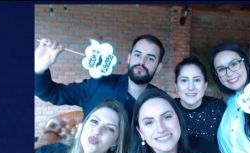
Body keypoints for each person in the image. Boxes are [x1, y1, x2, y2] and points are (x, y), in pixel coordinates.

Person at [125, 88, 231, 153]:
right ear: (140, 132)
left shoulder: (208, 151)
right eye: (149, 122)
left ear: (178, 118)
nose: (161, 129)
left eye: (167, 117)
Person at [34, 35, 164, 119]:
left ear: (158, 67)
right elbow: (53, 93)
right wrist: (39, 69)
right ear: (129, 58)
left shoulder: (162, 101)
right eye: (137, 55)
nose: (142, 62)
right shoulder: (98, 85)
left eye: (150, 58)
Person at [173, 56, 227, 143]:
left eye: (197, 80)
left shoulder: (219, 108)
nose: (191, 87)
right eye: (184, 80)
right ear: (176, 86)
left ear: (205, 85)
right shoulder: (168, 110)